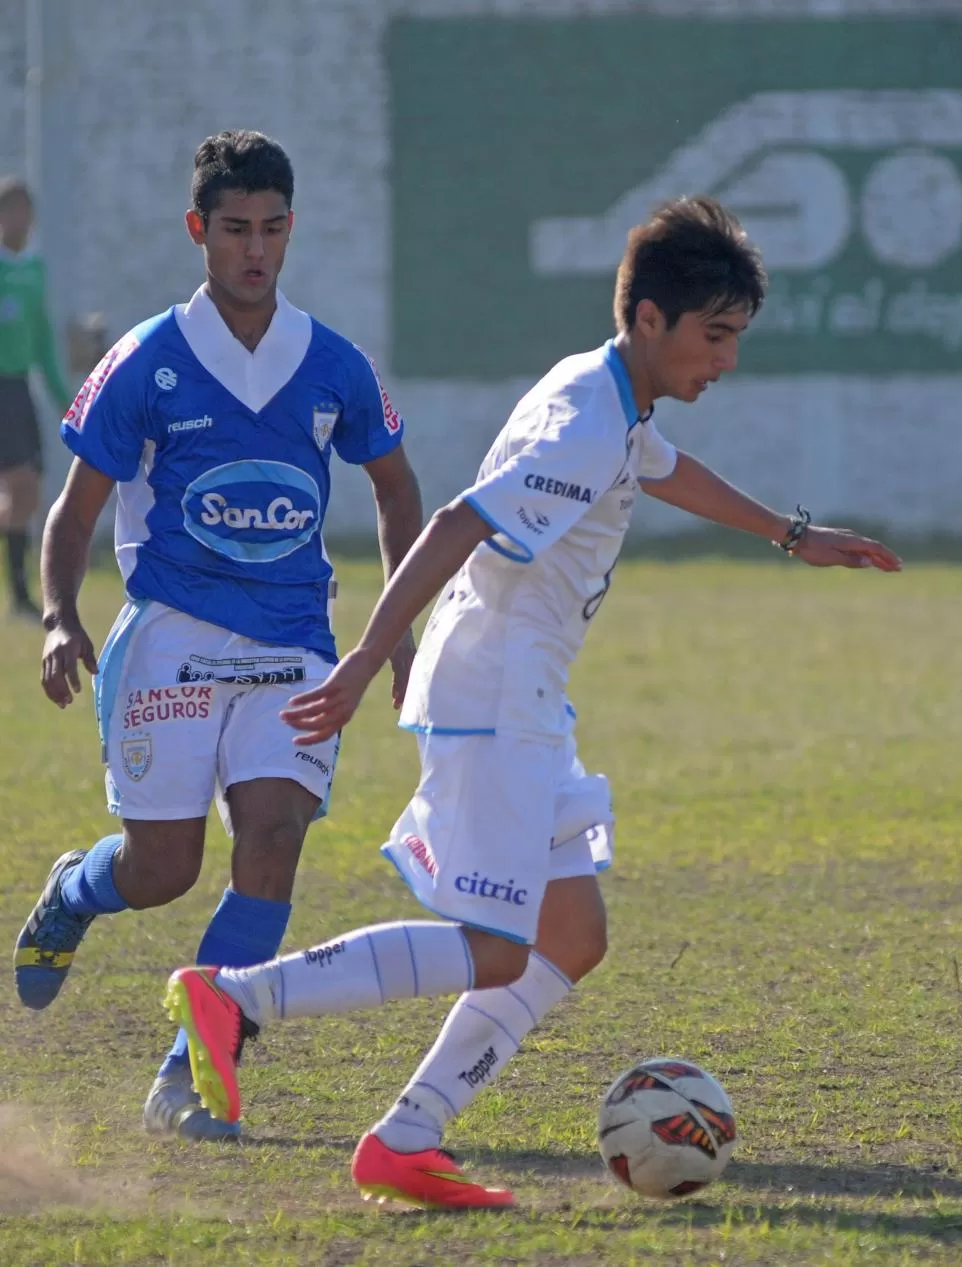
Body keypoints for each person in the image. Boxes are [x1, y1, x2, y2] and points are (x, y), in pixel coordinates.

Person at [162, 195, 902, 1203]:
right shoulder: (584, 424)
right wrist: (367, 656)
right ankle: (237, 997)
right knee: (496, 945)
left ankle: (405, 1137)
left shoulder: (610, 393)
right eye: (714, 336)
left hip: (525, 691)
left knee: (570, 937)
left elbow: (665, 468)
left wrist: (789, 533)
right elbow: (462, 520)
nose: (724, 361)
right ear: (650, 318)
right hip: (494, 689)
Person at [12, 131, 422, 1141]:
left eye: (272, 228)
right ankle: (75, 890)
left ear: (290, 230)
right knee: (163, 870)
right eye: (234, 229)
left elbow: (397, 486)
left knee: (273, 843)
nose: (255, 249)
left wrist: (401, 630)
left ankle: (190, 1072)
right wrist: (62, 618)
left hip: (293, 642)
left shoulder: (330, 363)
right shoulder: (147, 360)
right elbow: (72, 513)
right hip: (171, 637)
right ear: (199, 231)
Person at [0, 178, 73, 619]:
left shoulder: (34, 269)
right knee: (20, 486)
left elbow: (44, 341)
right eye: (12, 211)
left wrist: (71, 402)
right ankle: (23, 596)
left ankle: (20, 594)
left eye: (27, 211)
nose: (21, 220)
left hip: (20, 390)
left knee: (28, 494)